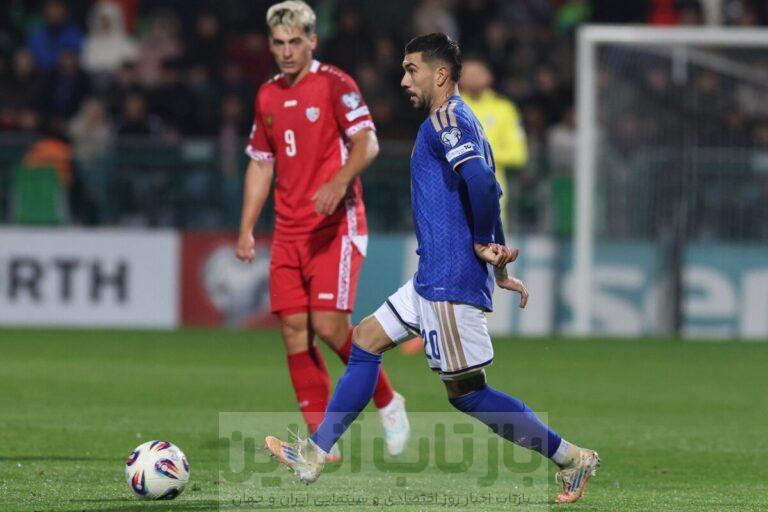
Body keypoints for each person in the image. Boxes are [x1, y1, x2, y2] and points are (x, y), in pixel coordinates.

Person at [265, 33, 600, 504]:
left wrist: (482, 244)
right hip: (432, 277)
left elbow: (482, 182)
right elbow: (488, 189)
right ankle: (315, 453)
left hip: (449, 277)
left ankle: (571, 457)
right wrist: (498, 263)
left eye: (412, 69)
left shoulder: (447, 120)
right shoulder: (460, 119)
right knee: (364, 340)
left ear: (440, 74)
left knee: (468, 394)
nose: (404, 80)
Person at [235, 1, 410, 462]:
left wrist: (339, 181)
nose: (287, 51)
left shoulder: (335, 84)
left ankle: (388, 401)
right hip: (288, 230)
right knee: (294, 330)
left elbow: (368, 142)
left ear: (312, 41)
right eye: (279, 43)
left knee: (329, 325)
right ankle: (319, 444)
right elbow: (261, 163)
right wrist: (246, 227)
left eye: (296, 42)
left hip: (336, 225)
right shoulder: (267, 95)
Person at [460, 55, 527, 228]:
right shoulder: (449, 109)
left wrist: (479, 153)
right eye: (468, 73)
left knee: (489, 241)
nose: (473, 77)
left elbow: (518, 154)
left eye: (477, 73)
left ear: (488, 77)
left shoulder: (504, 109)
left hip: (491, 189)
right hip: (454, 189)